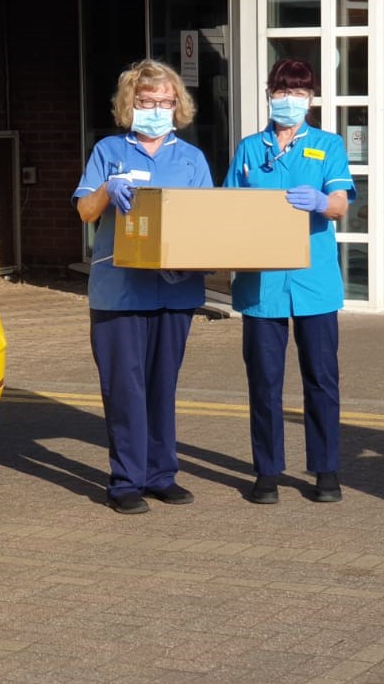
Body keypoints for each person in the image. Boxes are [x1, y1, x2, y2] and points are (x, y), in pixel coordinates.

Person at [72, 59, 212, 514]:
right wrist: (108, 191)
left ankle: (160, 474)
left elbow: (209, 223)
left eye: (164, 101)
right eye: (147, 101)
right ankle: (126, 480)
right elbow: (85, 212)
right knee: (124, 387)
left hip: (175, 289)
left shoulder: (191, 159)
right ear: (131, 104)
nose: (156, 108)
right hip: (119, 291)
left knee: (162, 386)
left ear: (178, 105)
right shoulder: (109, 151)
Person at [224, 57, 356, 505]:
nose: (290, 100)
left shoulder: (327, 145)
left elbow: (340, 203)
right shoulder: (248, 148)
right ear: (268, 95)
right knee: (264, 381)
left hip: (314, 283)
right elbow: (227, 208)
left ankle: (326, 470)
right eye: (282, 92)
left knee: (321, 378)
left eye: (299, 93)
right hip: (260, 285)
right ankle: (266, 472)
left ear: (312, 99)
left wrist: (322, 201)